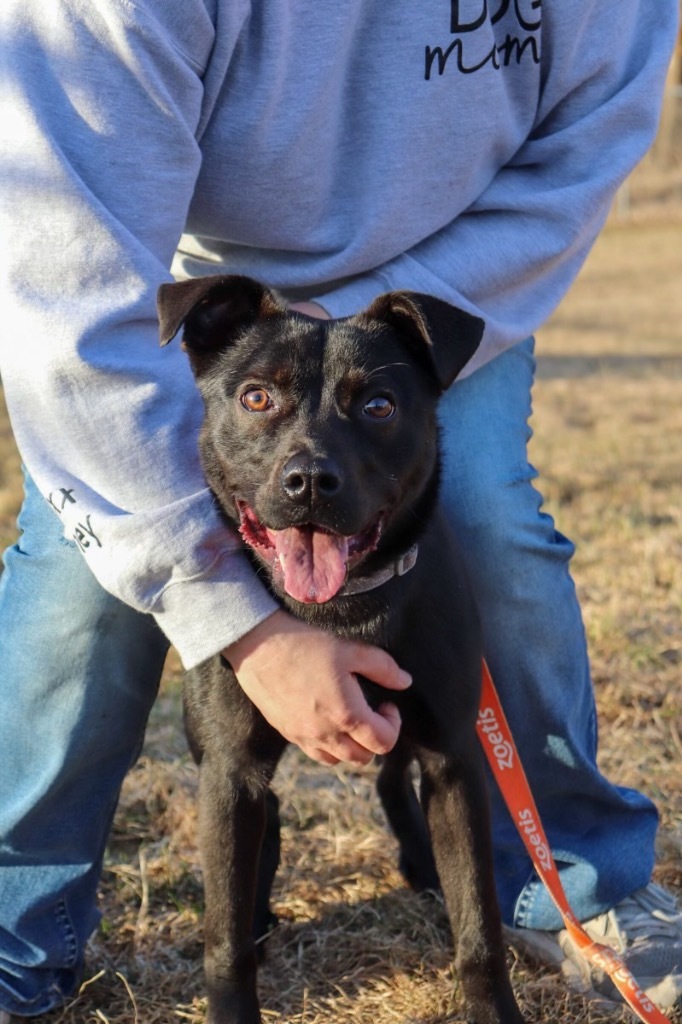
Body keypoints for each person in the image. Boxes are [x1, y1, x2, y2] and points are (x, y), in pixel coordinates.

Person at [1, 2, 680, 1020]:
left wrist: (380, 348)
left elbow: (583, 149)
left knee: (492, 525)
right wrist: (236, 621)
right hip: (192, 294)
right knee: (81, 589)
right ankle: (17, 924)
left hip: (449, 289)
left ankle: (579, 882)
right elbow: (72, 300)